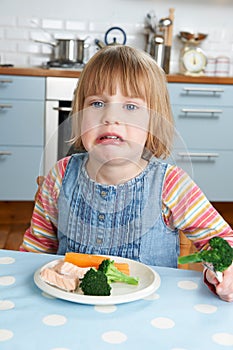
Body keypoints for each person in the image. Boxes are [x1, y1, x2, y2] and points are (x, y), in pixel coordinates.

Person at [20, 45, 233, 302]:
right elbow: (35, 250)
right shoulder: (60, 175)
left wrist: (225, 268)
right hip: (70, 311)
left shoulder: (171, 184)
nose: (111, 117)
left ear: (153, 123)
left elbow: (221, 241)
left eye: (131, 107)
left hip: (150, 315)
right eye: (97, 103)